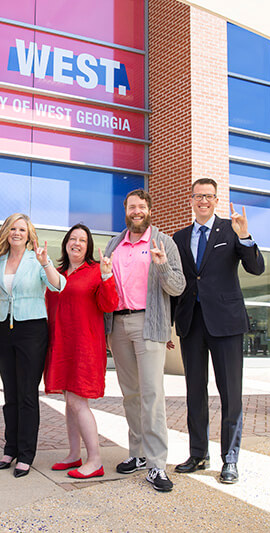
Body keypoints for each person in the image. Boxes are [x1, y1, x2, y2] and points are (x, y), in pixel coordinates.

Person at [172, 178, 265, 484]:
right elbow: (178, 285)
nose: (203, 201)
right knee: (195, 393)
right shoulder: (180, 237)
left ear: (215, 201)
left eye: (209, 197)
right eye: (198, 196)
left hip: (226, 324)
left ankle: (230, 459)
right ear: (191, 200)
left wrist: (246, 236)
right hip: (192, 324)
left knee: (230, 394)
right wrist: (171, 323)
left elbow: (256, 268)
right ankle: (198, 454)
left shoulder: (231, 230)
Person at [104, 189, 185, 493]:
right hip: (118, 325)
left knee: (152, 395)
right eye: (131, 207)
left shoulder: (164, 242)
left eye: (141, 206)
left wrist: (162, 265)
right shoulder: (114, 244)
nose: (136, 211)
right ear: (125, 210)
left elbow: (177, 287)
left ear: (149, 210)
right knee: (131, 395)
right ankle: (137, 454)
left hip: (148, 324)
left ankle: (157, 465)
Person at [0, 213, 64, 478]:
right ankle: (11, 448)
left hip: (32, 329)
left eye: (22, 229)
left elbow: (58, 286)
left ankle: (26, 454)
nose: (17, 233)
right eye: (12, 229)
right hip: (3, 329)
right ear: (6, 232)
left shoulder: (38, 258)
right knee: (10, 393)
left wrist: (46, 263)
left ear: (29, 234)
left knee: (27, 394)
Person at [45, 224, 118, 479]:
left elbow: (109, 304)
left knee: (78, 401)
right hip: (61, 345)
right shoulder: (58, 273)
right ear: (65, 243)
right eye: (73, 239)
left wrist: (108, 277)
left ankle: (95, 460)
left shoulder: (96, 271)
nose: (77, 243)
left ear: (88, 247)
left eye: (83, 240)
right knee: (69, 401)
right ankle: (73, 454)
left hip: (85, 346)